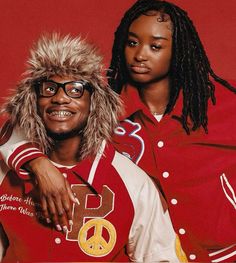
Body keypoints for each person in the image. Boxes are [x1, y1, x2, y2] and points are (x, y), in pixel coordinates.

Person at [1, 0, 236, 262]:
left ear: (180, 50)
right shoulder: (102, 105)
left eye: (155, 46)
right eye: (132, 42)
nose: (139, 55)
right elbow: (23, 118)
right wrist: (38, 163)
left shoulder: (224, 103)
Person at [0, 33, 185, 262]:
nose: (60, 98)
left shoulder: (132, 183)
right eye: (49, 89)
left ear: (94, 104)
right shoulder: (7, 173)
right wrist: (39, 165)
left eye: (75, 89)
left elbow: (161, 257)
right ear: (33, 101)